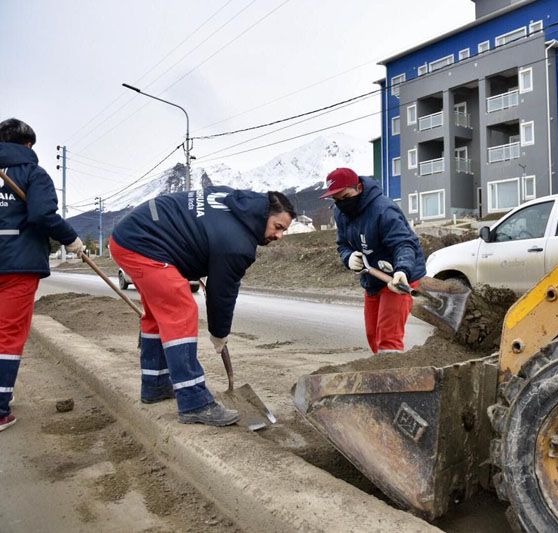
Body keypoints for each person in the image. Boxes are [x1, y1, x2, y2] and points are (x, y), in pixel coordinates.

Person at [109, 187, 295, 426]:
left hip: (132, 235)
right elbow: (222, 294)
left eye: (284, 230)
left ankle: (155, 386)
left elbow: (200, 233)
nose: (279, 235)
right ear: (262, 216)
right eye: (278, 227)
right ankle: (194, 403)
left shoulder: (235, 202)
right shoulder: (237, 244)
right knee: (181, 311)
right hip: (143, 244)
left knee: (157, 315)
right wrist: (219, 334)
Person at [0, 118, 84, 431]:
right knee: (7, 335)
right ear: (28, 145)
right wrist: (71, 239)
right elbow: (42, 214)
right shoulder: (34, 173)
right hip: (18, 265)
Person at [322, 167, 426, 354]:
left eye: (344, 197)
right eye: (335, 199)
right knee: (373, 335)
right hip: (373, 278)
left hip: (398, 277)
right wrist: (348, 257)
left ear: (359, 188)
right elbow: (343, 244)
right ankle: (381, 375)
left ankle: (391, 380)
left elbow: (403, 243)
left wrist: (402, 270)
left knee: (388, 339)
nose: (341, 203)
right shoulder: (341, 213)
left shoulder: (383, 210)